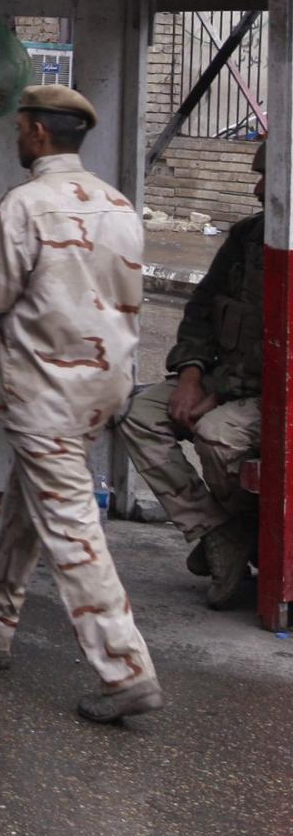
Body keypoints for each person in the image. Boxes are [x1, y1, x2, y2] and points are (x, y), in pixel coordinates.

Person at [0, 85, 160, 724]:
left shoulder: (25, 206)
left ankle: (126, 670)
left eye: (20, 126)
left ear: (35, 133)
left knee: (71, 528)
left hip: (46, 395)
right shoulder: (118, 206)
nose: (16, 135)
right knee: (26, 509)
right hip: (99, 390)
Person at [118, 139, 267, 609]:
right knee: (139, 411)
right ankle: (219, 531)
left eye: (272, 179)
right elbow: (200, 310)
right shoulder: (247, 237)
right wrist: (191, 376)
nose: (260, 189)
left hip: (270, 396)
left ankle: (250, 535)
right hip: (223, 383)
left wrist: (217, 393)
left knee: (217, 435)